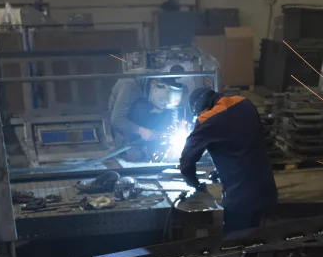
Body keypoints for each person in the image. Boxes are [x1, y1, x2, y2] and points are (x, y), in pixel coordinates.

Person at [178, 88, 278, 233]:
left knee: (236, 243)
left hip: (241, 198)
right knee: (262, 239)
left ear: (201, 108)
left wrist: (193, 182)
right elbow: (241, 142)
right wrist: (222, 169)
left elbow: (187, 161)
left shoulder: (206, 120)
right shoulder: (244, 103)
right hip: (267, 190)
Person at [108, 76, 184, 157]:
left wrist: (171, 132)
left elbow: (172, 110)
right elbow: (116, 120)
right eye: (162, 104)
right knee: (141, 107)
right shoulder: (130, 86)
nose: (163, 107)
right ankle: (136, 150)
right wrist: (141, 131)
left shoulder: (166, 91)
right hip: (123, 131)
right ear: (153, 86)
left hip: (146, 122)